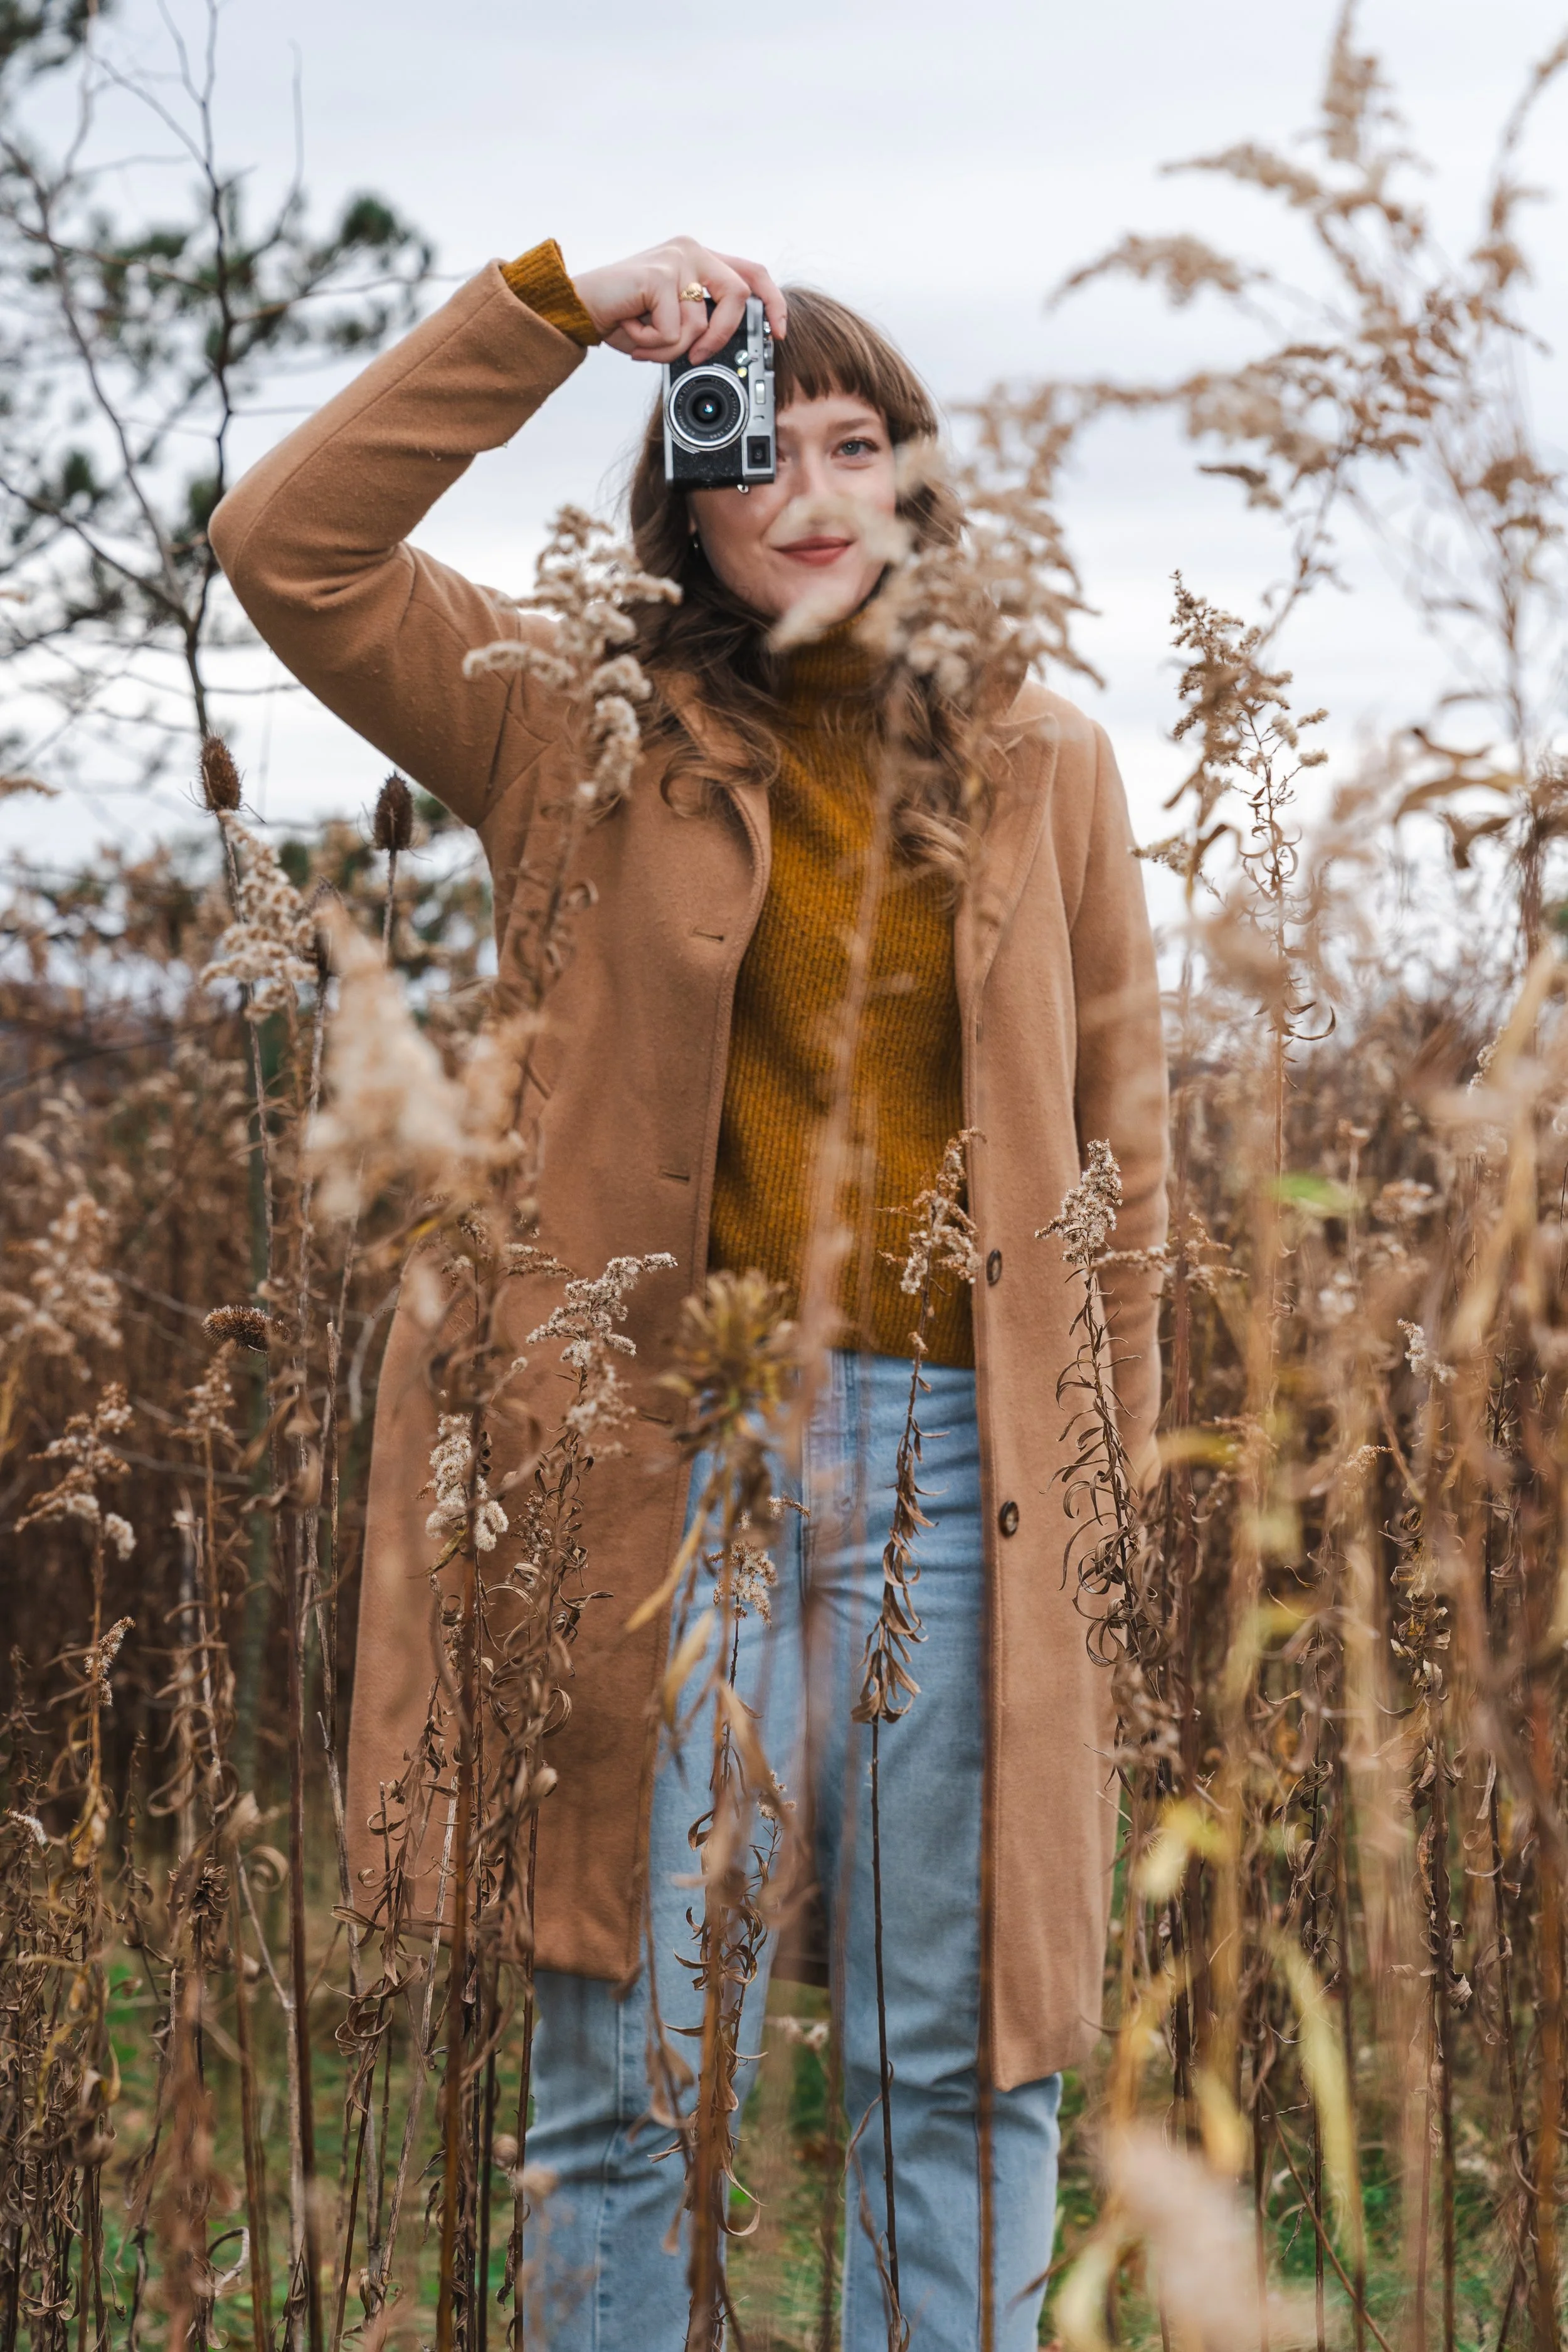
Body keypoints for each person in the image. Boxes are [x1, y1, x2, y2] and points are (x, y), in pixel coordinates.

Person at [209, 235, 1168, 2351]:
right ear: (686, 487)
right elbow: (285, 544)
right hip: (655, 1464)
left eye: (862, 440)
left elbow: (1125, 1170)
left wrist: (1103, 1520)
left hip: (964, 1470)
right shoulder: (570, 722)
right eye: (758, 440)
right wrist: (555, 313)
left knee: (961, 2066)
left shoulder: (1046, 760)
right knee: (625, 2072)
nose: (812, 486)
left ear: (920, 481)